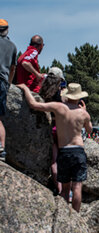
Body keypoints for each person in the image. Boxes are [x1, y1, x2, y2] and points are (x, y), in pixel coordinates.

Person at [17, 83, 92, 212]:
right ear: (79, 98)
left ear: (67, 95)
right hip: (78, 151)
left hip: (64, 151)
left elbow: (34, 105)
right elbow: (89, 130)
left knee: (65, 189)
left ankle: (63, 217)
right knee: (77, 187)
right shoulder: (83, 114)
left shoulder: (58, 107)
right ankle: (76, 217)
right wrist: (84, 111)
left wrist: (25, 89)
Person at [39, 67, 67, 195]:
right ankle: (67, 190)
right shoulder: (62, 93)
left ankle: (59, 188)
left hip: (51, 127)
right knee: (65, 160)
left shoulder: (43, 90)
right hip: (62, 128)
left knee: (54, 161)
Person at [0, 19, 17, 158]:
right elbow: (12, 68)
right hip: (3, 82)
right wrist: (9, 83)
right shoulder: (12, 46)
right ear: (7, 30)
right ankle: (1, 148)